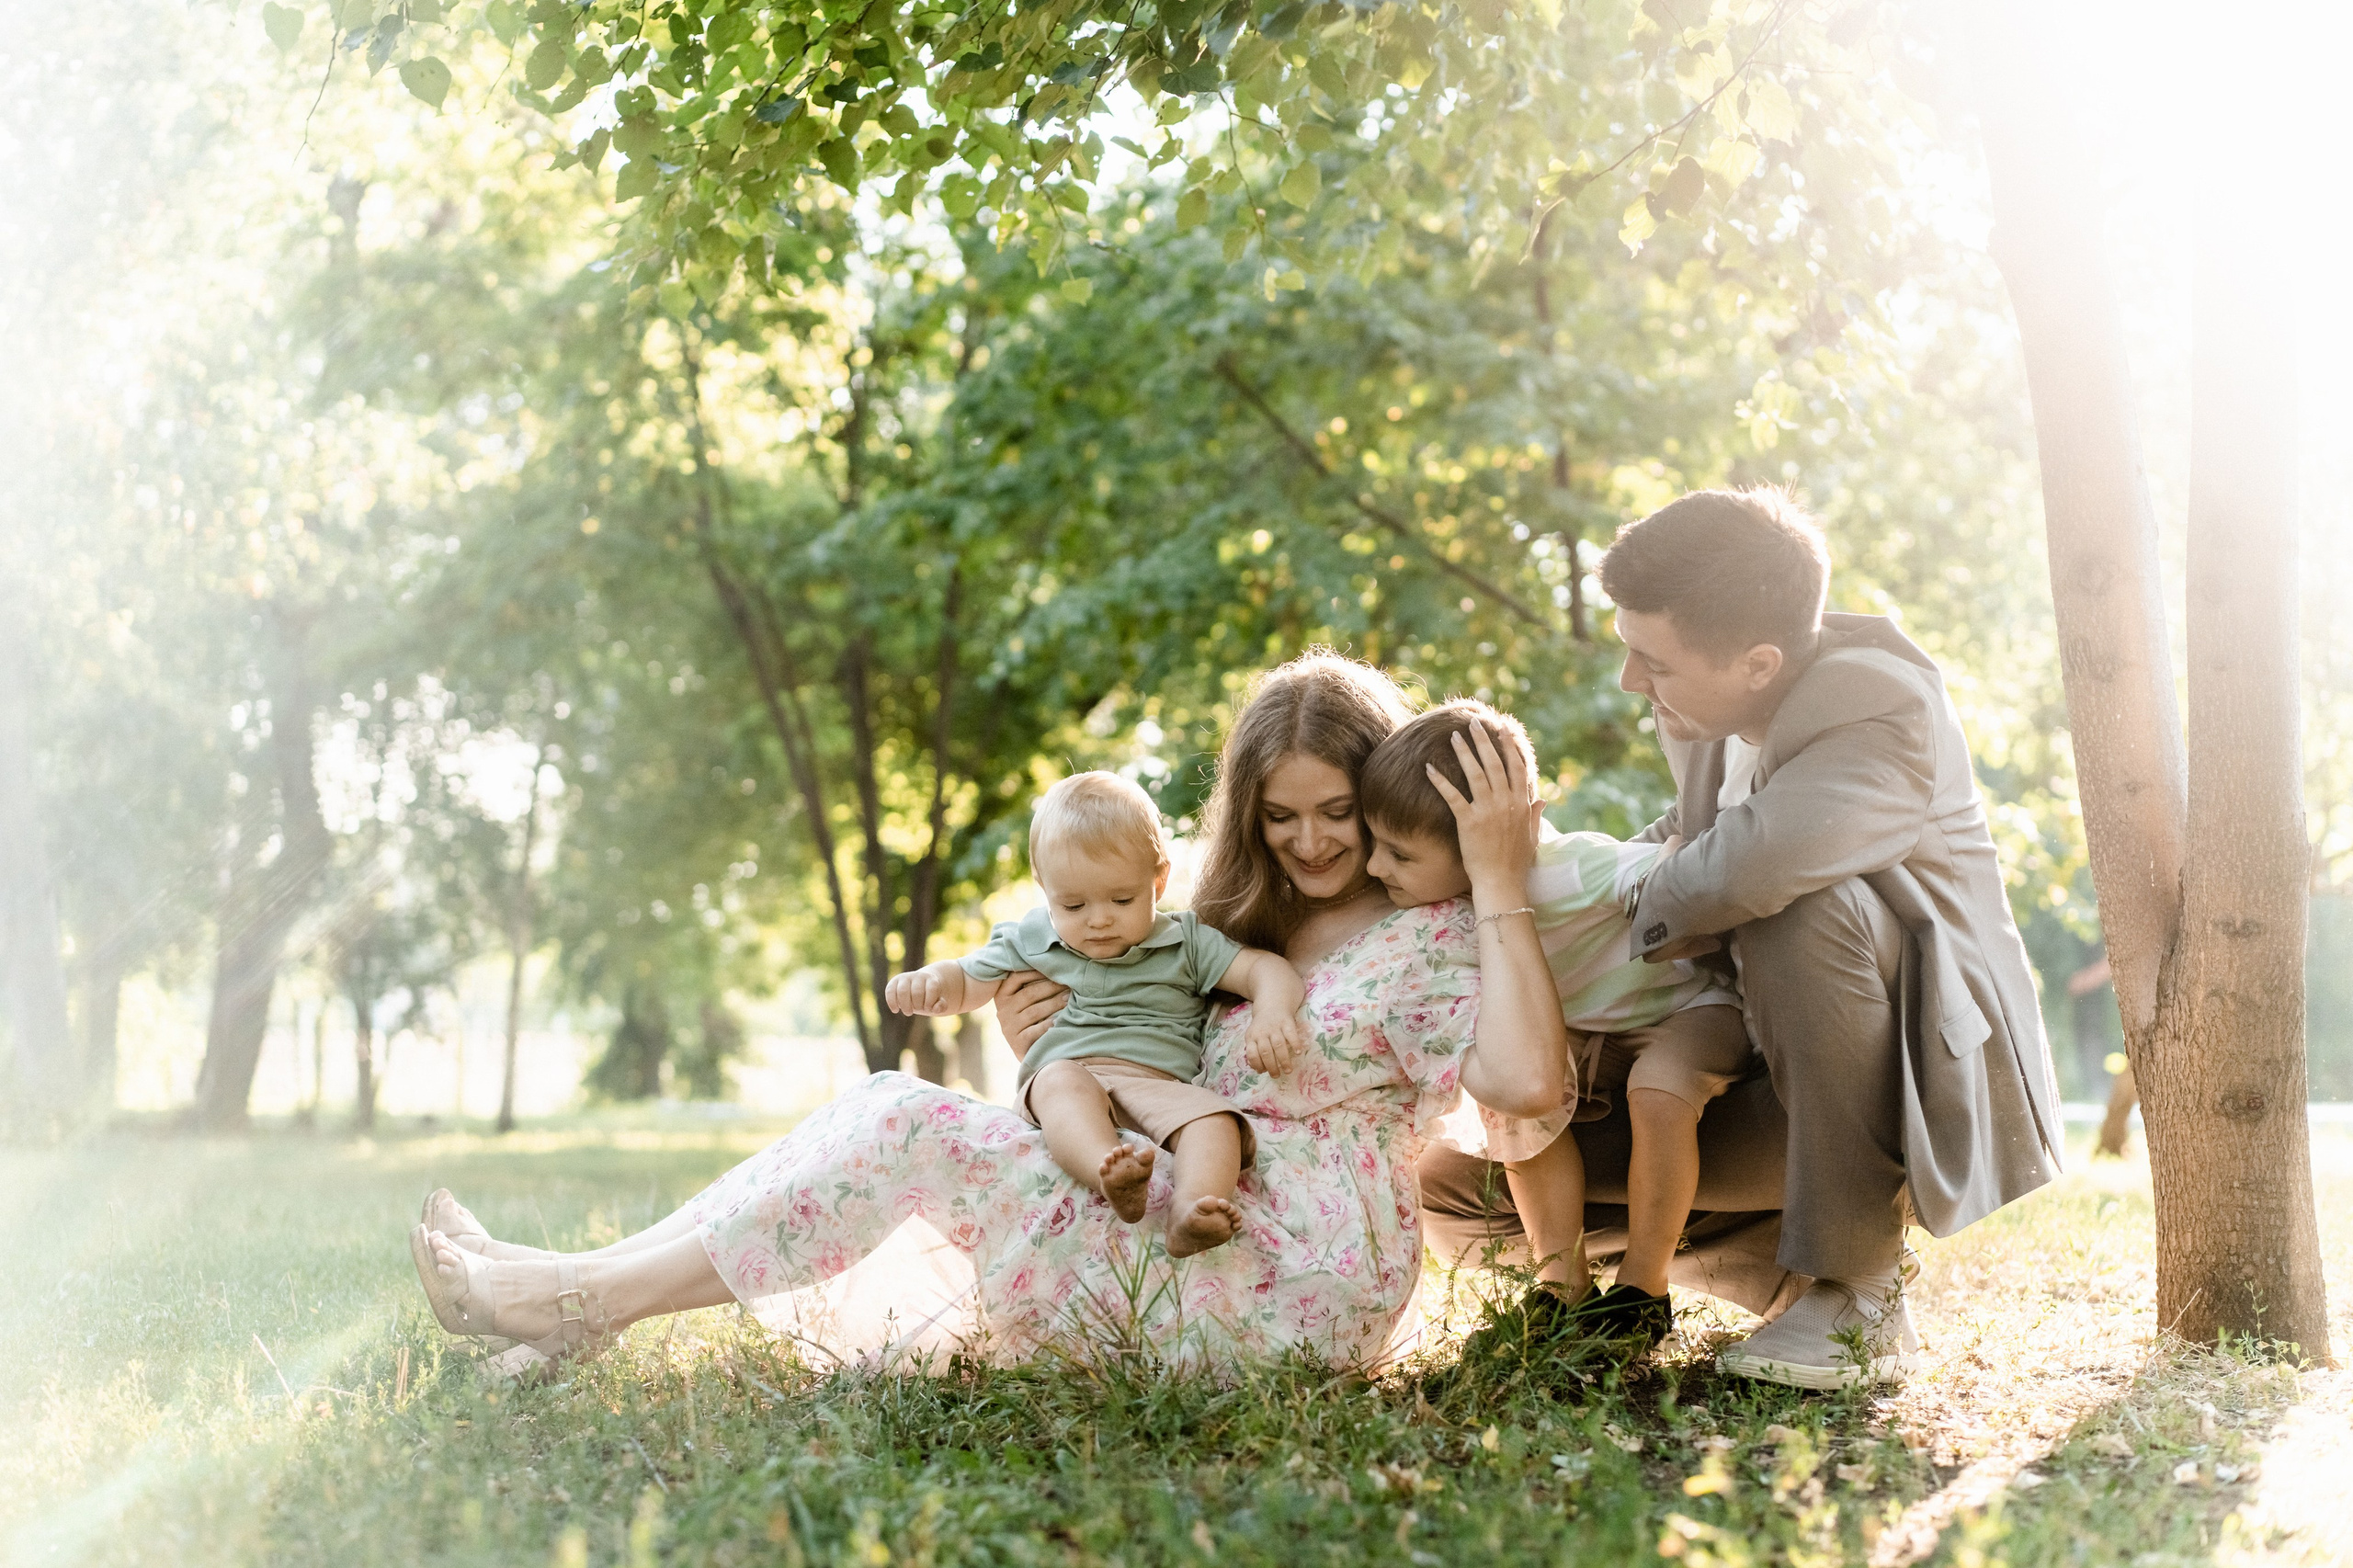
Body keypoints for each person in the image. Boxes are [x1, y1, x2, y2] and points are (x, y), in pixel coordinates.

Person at [409, 653, 1568, 1376]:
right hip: (1185, 1202)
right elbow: (1125, 1058)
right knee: (888, 1105)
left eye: (1334, 812)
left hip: (1293, 1264)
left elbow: (1521, 1087)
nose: (1309, 842)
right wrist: (1042, 1054)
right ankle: (584, 1284)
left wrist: (1500, 875)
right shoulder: (1229, 925)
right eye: (1278, 817)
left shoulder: (1434, 929)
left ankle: (575, 1298)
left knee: (910, 1125)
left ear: (1380, 793)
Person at [1546, 485, 2062, 1388]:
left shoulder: (1876, 706)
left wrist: (1574, 910)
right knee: (1461, 1176)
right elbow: (1673, 843)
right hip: (1768, 1067)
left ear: (1756, 661)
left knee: (1797, 904)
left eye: (1652, 661)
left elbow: (1741, 866)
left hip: (1915, 1085)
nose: (1632, 681)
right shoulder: (1721, 714)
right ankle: (1768, 1262)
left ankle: (1857, 1284)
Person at [1356, 699, 1751, 1351]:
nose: (1375, 868)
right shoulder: (1437, 915)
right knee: (1507, 1106)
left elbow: (1671, 874)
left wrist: (1670, 898)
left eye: (1398, 854)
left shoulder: (1569, 869)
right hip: (1589, 1033)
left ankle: (1642, 1287)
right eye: (1376, 846)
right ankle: (1560, 1283)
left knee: (1660, 1090)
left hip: (1687, 1011)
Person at [882, 770, 1308, 1258]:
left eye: (1122, 899)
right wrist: (932, 983)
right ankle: (1109, 1169)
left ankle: (1194, 1210)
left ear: (1159, 879)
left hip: (1161, 1087)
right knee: (1059, 1082)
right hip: (1072, 1076)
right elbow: (967, 979)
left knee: (1217, 1122)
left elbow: (1263, 968)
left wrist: (1273, 1010)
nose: (1099, 918)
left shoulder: (1185, 942)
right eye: (1073, 904)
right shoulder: (1030, 937)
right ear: (1044, 888)